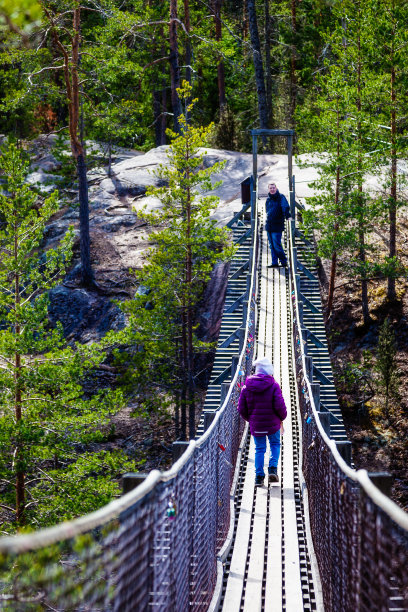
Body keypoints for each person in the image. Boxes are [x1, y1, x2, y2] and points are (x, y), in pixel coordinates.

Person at [237, 356, 287, 486]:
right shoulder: (274, 385)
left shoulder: (246, 387)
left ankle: (259, 477)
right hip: (273, 424)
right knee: (275, 444)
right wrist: (283, 417)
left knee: (259, 449)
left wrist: (251, 419)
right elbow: (280, 406)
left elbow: (241, 408)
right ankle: (272, 468)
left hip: (256, 424)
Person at [265, 182, 291, 268]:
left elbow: (285, 207)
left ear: (276, 188)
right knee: (271, 245)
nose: (272, 189)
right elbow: (267, 211)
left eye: (273, 188)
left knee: (277, 245)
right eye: (270, 188)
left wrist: (288, 216)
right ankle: (274, 262)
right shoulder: (268, 200)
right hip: (269, 226)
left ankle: (284, 261)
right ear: (268, 189)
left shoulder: (281, 197)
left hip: (277, 225)